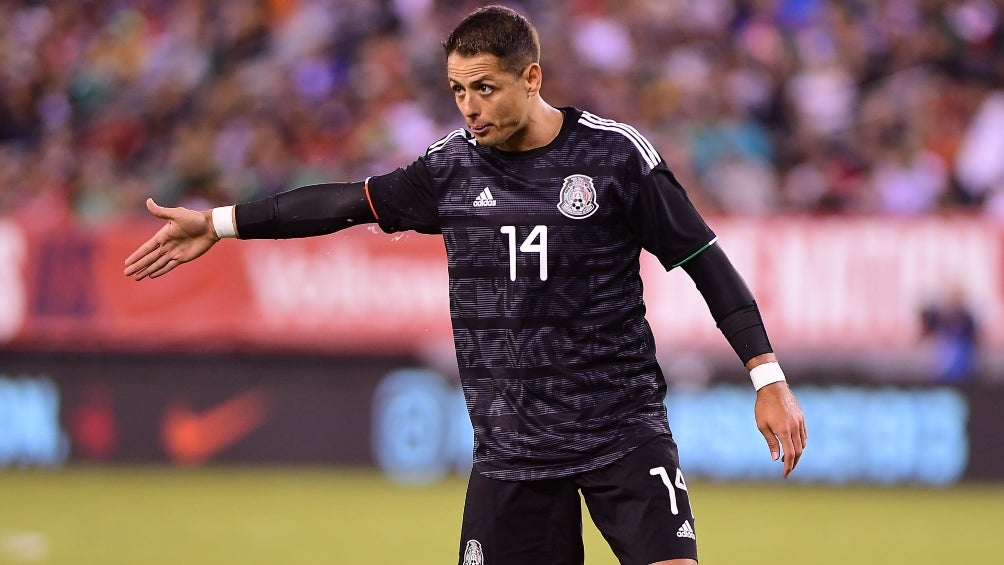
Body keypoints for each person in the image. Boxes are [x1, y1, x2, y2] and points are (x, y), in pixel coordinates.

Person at [124, 6, 806, 565]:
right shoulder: (449, 170)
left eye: (485, 87)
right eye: (458, 90)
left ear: (531, 77)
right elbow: (341, 204)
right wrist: (218, 222)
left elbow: (704, 261)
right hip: (511, 450)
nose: (470, 107)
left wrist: (766, 375)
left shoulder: (614, 157)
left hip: (620, 431)